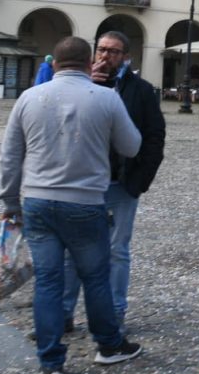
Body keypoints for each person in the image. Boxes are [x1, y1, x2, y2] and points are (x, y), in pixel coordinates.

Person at [0, 36, 143, 374]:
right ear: (88, 60)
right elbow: (132, 146)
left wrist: (9, 203)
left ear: (55, 63)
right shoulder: (106, 98)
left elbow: (9, 157)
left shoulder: (29, 98)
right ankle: (108, 346)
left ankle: (50, 363)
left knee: (48, 280)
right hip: (84, 201)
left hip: (38, 202)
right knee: (94, 278)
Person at [62, 31, 165, 337]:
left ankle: (116, 312)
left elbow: (154, 136)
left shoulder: (141, 91)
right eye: (102, 50)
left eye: (114, 52)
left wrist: (140, 181)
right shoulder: (76, 85)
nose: (106, 56)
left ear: (125, 57)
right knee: (72, 251)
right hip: (78, 182)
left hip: (120, 183)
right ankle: (65, 314)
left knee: (117, 250)